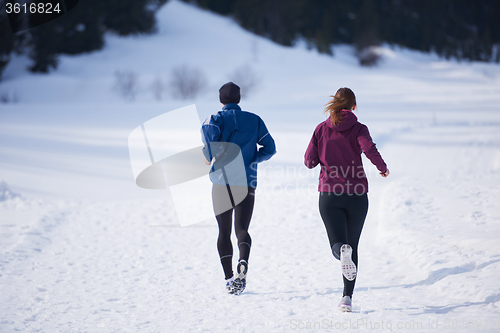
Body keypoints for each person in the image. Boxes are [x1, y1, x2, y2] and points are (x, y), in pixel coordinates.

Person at [304, 87, 389, 312]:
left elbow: (309, 161)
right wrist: (382, 167)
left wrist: (322, 157)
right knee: (354, 246)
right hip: (357, 195)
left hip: (330, 195)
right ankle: (346, 299)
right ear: (353, 106)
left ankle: (341, 250)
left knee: (338, 245)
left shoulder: (321, 129)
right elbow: (368, 148)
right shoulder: (359, 128)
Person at [201, 82, 276, 295]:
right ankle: (243, 260)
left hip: (221, 182)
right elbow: (270, 149)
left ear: (221, 100)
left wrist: (208, 157)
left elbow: (208, 145)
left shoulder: (214, 119)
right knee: (241, 229)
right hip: (247, 182)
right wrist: (252, 158)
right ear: (239, 99)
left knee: (223, 232)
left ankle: (229, 279)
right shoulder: (255, 120)